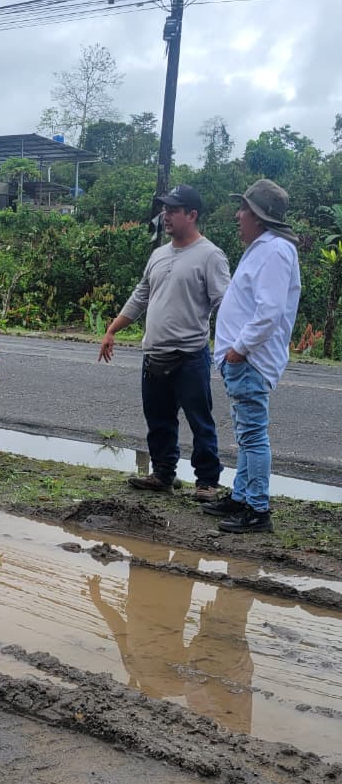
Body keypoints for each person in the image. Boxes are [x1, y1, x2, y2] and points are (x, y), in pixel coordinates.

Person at [98, 184, 231, 501]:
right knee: (158, 420)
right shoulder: (158, 254)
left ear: (192, 215)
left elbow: (225, 304)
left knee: (200, 422)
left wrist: (232, 347)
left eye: (173, 210)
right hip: (153, 354)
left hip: (190, 356)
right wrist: (112, 330)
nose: (166, 215)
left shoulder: (210, 256)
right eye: (164, 209)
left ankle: (207, 482)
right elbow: (140, 296)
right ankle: (162, 475)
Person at [205, 179, 301, 534]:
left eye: (243, 209)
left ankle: (258, 509)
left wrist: (238, 350)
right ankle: (241, 496)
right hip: (243, 360)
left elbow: (269, 312)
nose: (238, 215)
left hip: (250, 361)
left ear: (259, 216)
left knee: (253, 435)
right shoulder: (264, 248)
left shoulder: (275, 250)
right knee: (246, 434)